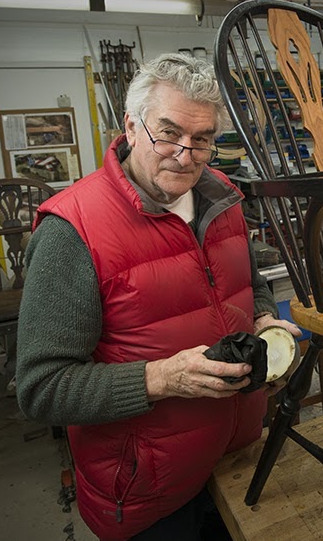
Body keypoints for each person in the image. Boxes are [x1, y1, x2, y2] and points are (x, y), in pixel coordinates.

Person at [16, 52, 301, 541]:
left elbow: (248, 284)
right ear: (131, 126)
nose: (185, 155)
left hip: (238, 455)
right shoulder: (72, 230)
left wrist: (265, 326)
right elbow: (42, 388)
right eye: (167, 133)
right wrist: (161, 379)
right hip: (151, 493)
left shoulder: (224, 197)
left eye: (203, 139)